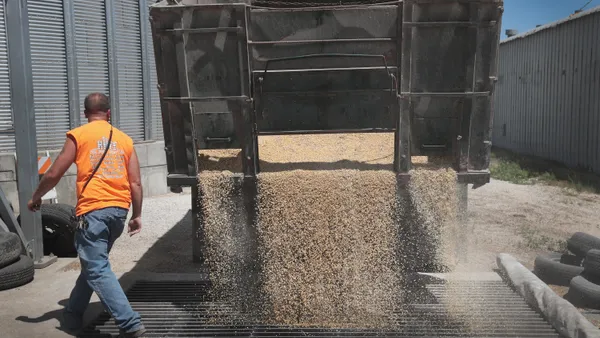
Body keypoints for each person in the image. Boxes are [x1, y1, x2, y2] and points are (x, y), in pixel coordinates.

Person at [27, 93, 146, 337]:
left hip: (93, 212)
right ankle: (72, 314)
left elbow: (54, 173)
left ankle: (130, 324)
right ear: (108, 113)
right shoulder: (124, 140)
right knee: (92, 265)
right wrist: (137, 214)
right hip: (118, 213)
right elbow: (135, 183)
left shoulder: (79, 135)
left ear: (85, 113)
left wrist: (36, 197)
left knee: (97, 269)